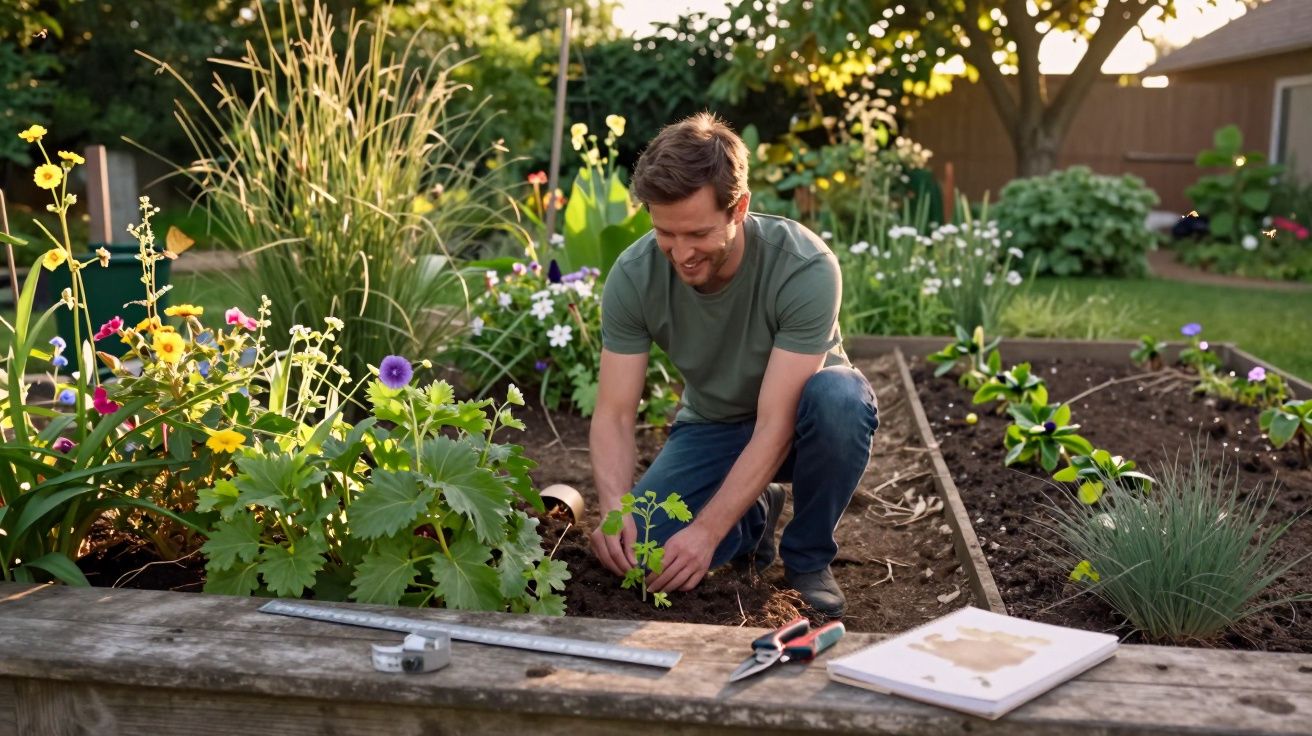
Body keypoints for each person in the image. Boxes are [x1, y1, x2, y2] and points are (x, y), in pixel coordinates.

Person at [587, 112, 879, 618]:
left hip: (804, 424)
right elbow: (613, 413)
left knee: (841, 399)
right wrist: (615, 510)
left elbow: (775, 424)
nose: (681, 254)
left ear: (738, 207)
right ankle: (755, 514)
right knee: (647, 551)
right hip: (714, 425)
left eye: (697, 233)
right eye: (665, 233)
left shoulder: (803, 267)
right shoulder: (634, 276)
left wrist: (706, 531)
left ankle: (808, 557)